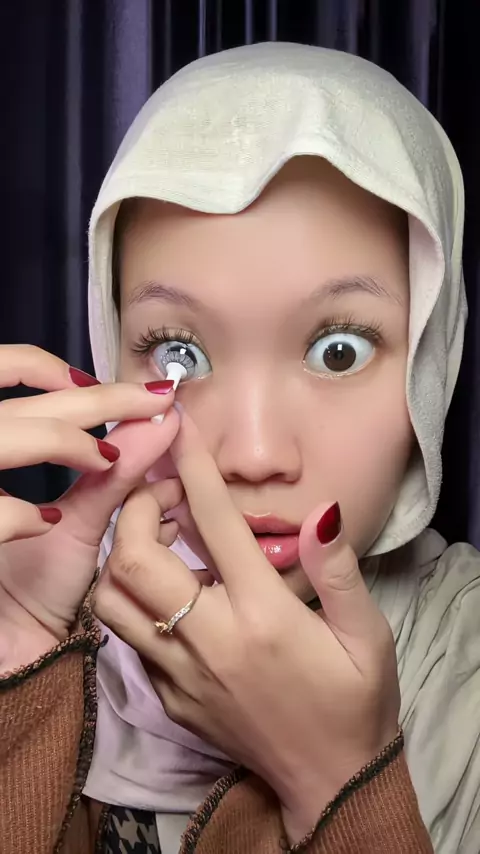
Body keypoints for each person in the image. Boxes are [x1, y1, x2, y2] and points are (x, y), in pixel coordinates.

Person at [1, 41, 479, 854]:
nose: (254, 456)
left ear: (431, 366)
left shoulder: (461, 667)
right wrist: (17, 673)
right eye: (179, 354)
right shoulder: (32, 612)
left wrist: (336, 779)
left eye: (339, 350)